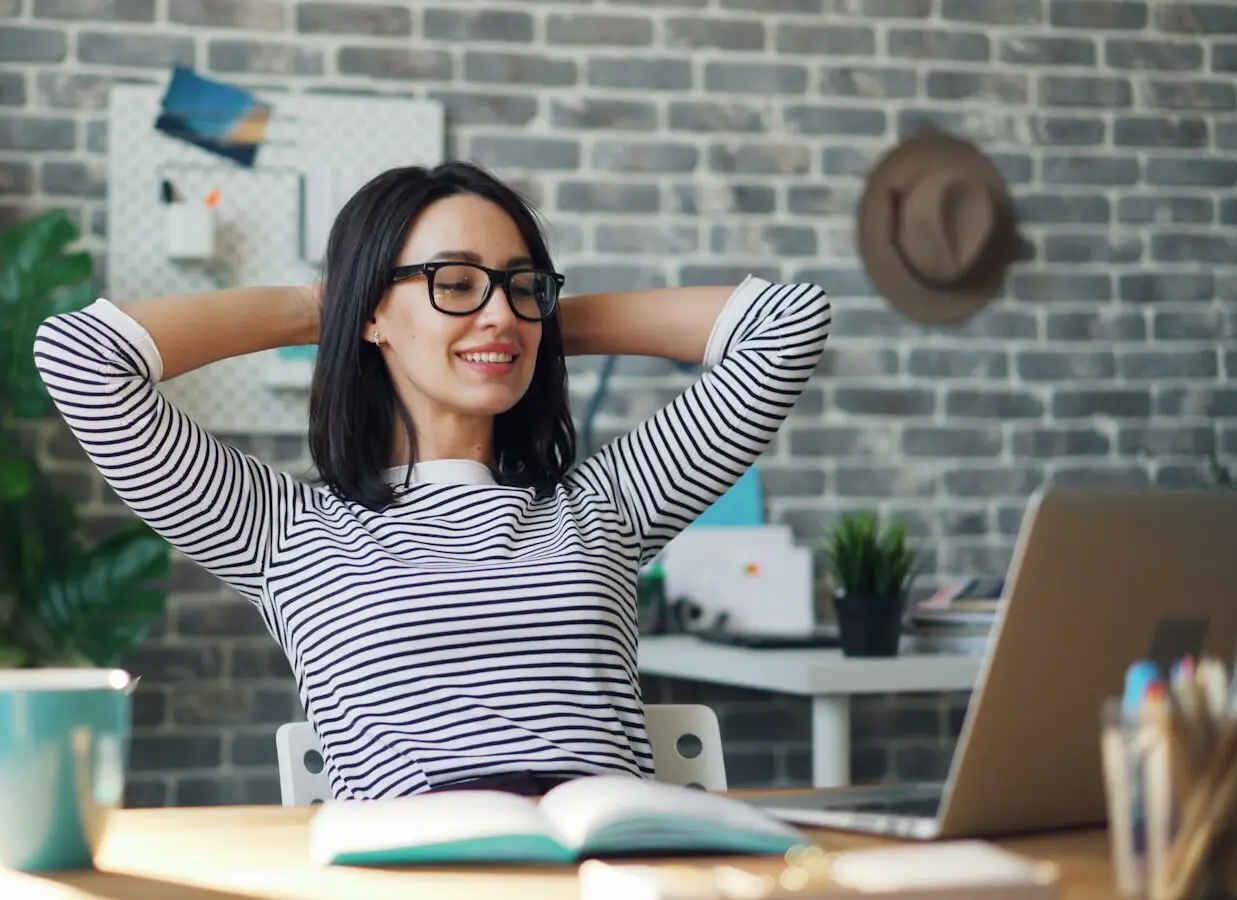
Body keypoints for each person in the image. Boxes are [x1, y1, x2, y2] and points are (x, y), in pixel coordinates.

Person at [34, 161, 831, 800]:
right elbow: (81, 359)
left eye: (523, 285)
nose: (498, 314)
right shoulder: (281, 531)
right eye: (453, 282)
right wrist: (334, 305)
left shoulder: (605, 507)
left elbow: (787, 325)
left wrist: (529, 326)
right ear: (371, 313)